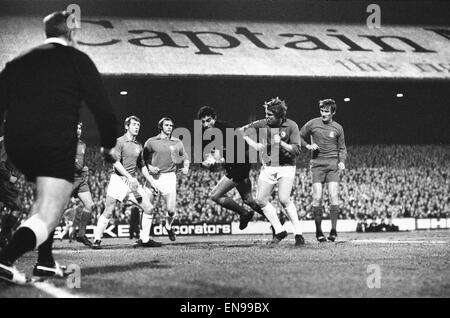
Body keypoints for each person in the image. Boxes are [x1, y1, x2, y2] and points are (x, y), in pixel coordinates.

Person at [0, 11, 118, 284]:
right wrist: (108, 146)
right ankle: (6, 258)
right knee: (50, 210)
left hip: (18, 142)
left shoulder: (19, 60)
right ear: (72, 33)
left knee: (44, 200)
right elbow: (103, 109)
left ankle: (45, 262)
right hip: (54, 140)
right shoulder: (77, 59)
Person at [239, 97, 305, 246]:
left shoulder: (291, 126)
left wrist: (280, 143)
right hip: (268, 166)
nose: (267, 117)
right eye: (266, 114)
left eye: (270, 115)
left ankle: (299, 234)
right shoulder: (262, 124)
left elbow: (296, 150)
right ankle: (279, 230)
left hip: (286, 166)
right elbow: (241, 131)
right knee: (260, 200)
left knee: (283, 199)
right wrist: (253, 143)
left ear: (280, 116)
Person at [92, 115, 161, 249]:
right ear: (126, 126)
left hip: (132, 183)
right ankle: (96, 239)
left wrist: (152, 182)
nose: (136, 127)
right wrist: (129, 177)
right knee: (109, 210)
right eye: (134, 124)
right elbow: (115, 162)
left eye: (138, 125)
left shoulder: (138, 145)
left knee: (149, 208)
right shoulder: (119, 141)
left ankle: (145, 240)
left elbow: (142, 167)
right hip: (118, 180)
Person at [197, 106, 265, 230]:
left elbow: (241, 141)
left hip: (239, 165)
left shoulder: (224, 128)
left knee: (214, 195)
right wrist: (205, 163)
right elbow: (204, 156)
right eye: (203, 121)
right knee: (248, 199)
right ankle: (275, 219)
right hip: (233, 167)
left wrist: (222, 158)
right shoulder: (204, 135)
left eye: (208, 120)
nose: (206, 124)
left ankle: (244, 213)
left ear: (215, 118)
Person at [300, 99, 347, 242]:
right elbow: (299, 136)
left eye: (327, 111)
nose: (323, 114)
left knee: (333, 196)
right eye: (322, 111)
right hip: (317, 165)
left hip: (332, 165)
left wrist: (342, 161)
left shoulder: (338, 128)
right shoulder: (312, 123)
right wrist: (308, 146)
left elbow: (342, 148)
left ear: (333, 112)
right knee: (317, 198)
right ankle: (318, 231)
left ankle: (333, 230)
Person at [142, 117, 189, 242]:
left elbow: (185, 157)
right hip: (153, 178)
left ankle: (168, 225)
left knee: (171, 210)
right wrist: (149, 166)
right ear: (161, 127)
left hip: (169, 177)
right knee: (147, 207)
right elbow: (142, 160)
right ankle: (144, 238)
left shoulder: (177, 142)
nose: (169, 127)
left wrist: (186, 167)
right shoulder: (151, 142)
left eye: (171, 125)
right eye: (167, 125)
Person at [68, 122, 96, 247]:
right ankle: (42, 237)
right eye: (75, 127)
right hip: (68, 180)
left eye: (80, 128)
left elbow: (80, 163)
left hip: (81, 179)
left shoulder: (82, 144)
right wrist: (80, 167)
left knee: (89, 205)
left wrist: (83, 167)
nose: (78, 130)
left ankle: (81, 234)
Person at [0, 134, 24, 248]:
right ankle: (2, 237)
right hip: (4, 181)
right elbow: (0, 162)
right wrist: (9, 177)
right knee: (17, 207)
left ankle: (5, 237)